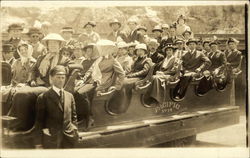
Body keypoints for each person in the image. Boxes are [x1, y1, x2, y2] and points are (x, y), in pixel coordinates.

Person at [74, 40, 125, 129]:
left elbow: (122, 73)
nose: (102, 50)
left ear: (109, 50)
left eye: (104, 48)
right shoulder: (99, 59)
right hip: (92, 80)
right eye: (101, 48)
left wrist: (117, 86)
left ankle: (90, 118)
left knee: (85, 93)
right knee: (75, 91)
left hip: (103, 82)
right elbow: (90, 70)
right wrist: (83, 80)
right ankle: (80, 115)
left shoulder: (113, 61)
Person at [33, 65, 78, 149]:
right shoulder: (43, 97)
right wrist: (38, 143)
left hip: (69, 139)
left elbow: (74, 117)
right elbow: (39, 122)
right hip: (52, 139)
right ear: (51, 78)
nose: (61, 80)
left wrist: (74, 131)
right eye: (58, 77)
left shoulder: (69, 96)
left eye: (63, 77)